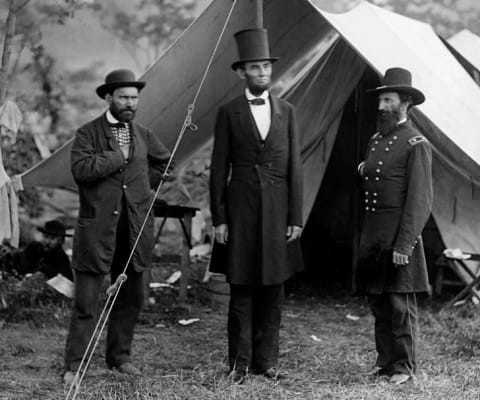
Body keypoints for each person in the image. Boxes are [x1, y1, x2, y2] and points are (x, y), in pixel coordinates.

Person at [63, 69, 171, 385]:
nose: (129, 103)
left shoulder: (144, 134)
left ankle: (119, 357)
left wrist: (142, 186)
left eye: (134, 97)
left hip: (134, 230)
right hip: (97, 231)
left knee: (131, 296)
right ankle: (75, 365)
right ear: (108, 97)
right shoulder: (87, 134)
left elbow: (166, 163)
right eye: (123, 97)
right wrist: (117, 157)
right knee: (87, 300)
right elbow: (81, 170)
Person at [209, 28, 303, 384]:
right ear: (241, 73)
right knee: (242, 291)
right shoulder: (228, 112)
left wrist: (296, 216)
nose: (263, 73)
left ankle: (267, 362)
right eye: (255, 67)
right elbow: (219, 169)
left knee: (274, 292)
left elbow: (295, 166)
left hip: (279, 213)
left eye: (266, 66)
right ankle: (239, 364)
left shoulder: (288, 111)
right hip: (241, 212)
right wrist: (220, 218)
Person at [357, 67, 433, 385]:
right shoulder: (376, 140)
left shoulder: (416, 144)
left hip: (399, 236)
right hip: (374, 235)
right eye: (380, 100)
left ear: (405, 104)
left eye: (387, 100)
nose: (381, 106)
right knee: (379, 302)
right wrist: (364, 167)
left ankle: (404, 366)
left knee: (401, 305)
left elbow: (420, 201)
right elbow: (377, 174)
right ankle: (385, 361)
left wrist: (404, 245)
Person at [0, 219, 73, 281]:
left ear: (61, 241)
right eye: (46, 236)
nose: (47, 241)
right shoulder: (34, 247)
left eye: (52, 238)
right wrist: (9, 255)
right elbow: (21, 260)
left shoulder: (62, 260)